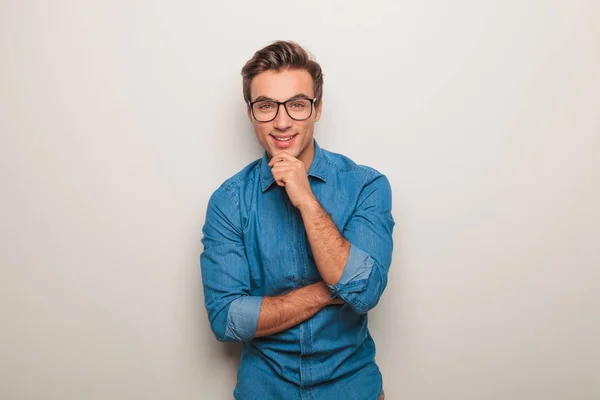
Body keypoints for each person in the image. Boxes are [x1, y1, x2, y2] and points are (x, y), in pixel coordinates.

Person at [200, 40, 394, 400]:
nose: (282, 121)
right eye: (266, 106)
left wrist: (305, 199)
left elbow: (365, 293)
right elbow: (227, 319)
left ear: (317, 110)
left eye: (298, 105)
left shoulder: (366, 185)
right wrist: (327, 290)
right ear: (250, 113)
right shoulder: (228, 202)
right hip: (265, 390)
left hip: (353, 389)